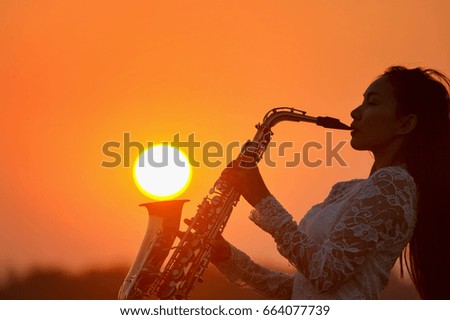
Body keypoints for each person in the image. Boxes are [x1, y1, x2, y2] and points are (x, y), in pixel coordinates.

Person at [210, 66, 450, 299]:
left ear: (405, 124)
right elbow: (301, 291)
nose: (355, 112)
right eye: (362, 101)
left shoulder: (394, 184)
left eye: (372, 102)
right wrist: (228, 257)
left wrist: (262, 199)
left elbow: (326, 273)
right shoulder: (348, 190)